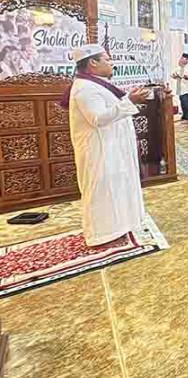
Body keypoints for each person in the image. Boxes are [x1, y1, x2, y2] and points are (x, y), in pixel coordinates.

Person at [66, 45, 149, 246]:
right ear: (93, 62)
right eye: (107, 59)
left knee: (116, 186)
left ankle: (117, 228)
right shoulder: (85, 88)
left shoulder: (96, 84)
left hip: (111, 147)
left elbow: (111, 107)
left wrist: (129, 98)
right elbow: (97, 118)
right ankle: (100, 235)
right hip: (99, 150)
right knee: (102, 190)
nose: (112, 63)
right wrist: (129, 101)